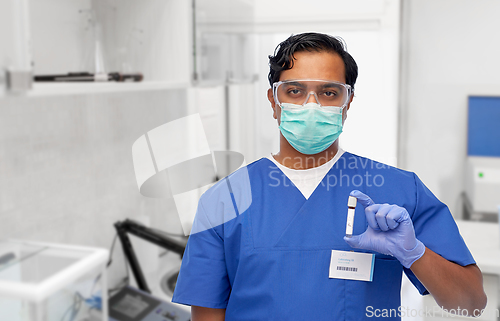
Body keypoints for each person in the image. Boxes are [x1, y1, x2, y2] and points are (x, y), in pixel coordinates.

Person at [172, 32, 486, 320]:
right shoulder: (223, 202)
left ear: (347, 102)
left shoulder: (399, 190)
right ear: (274, 100)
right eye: (294, 91)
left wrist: (413, 251)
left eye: (328, 92)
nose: (312, 106)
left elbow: (471, 303)